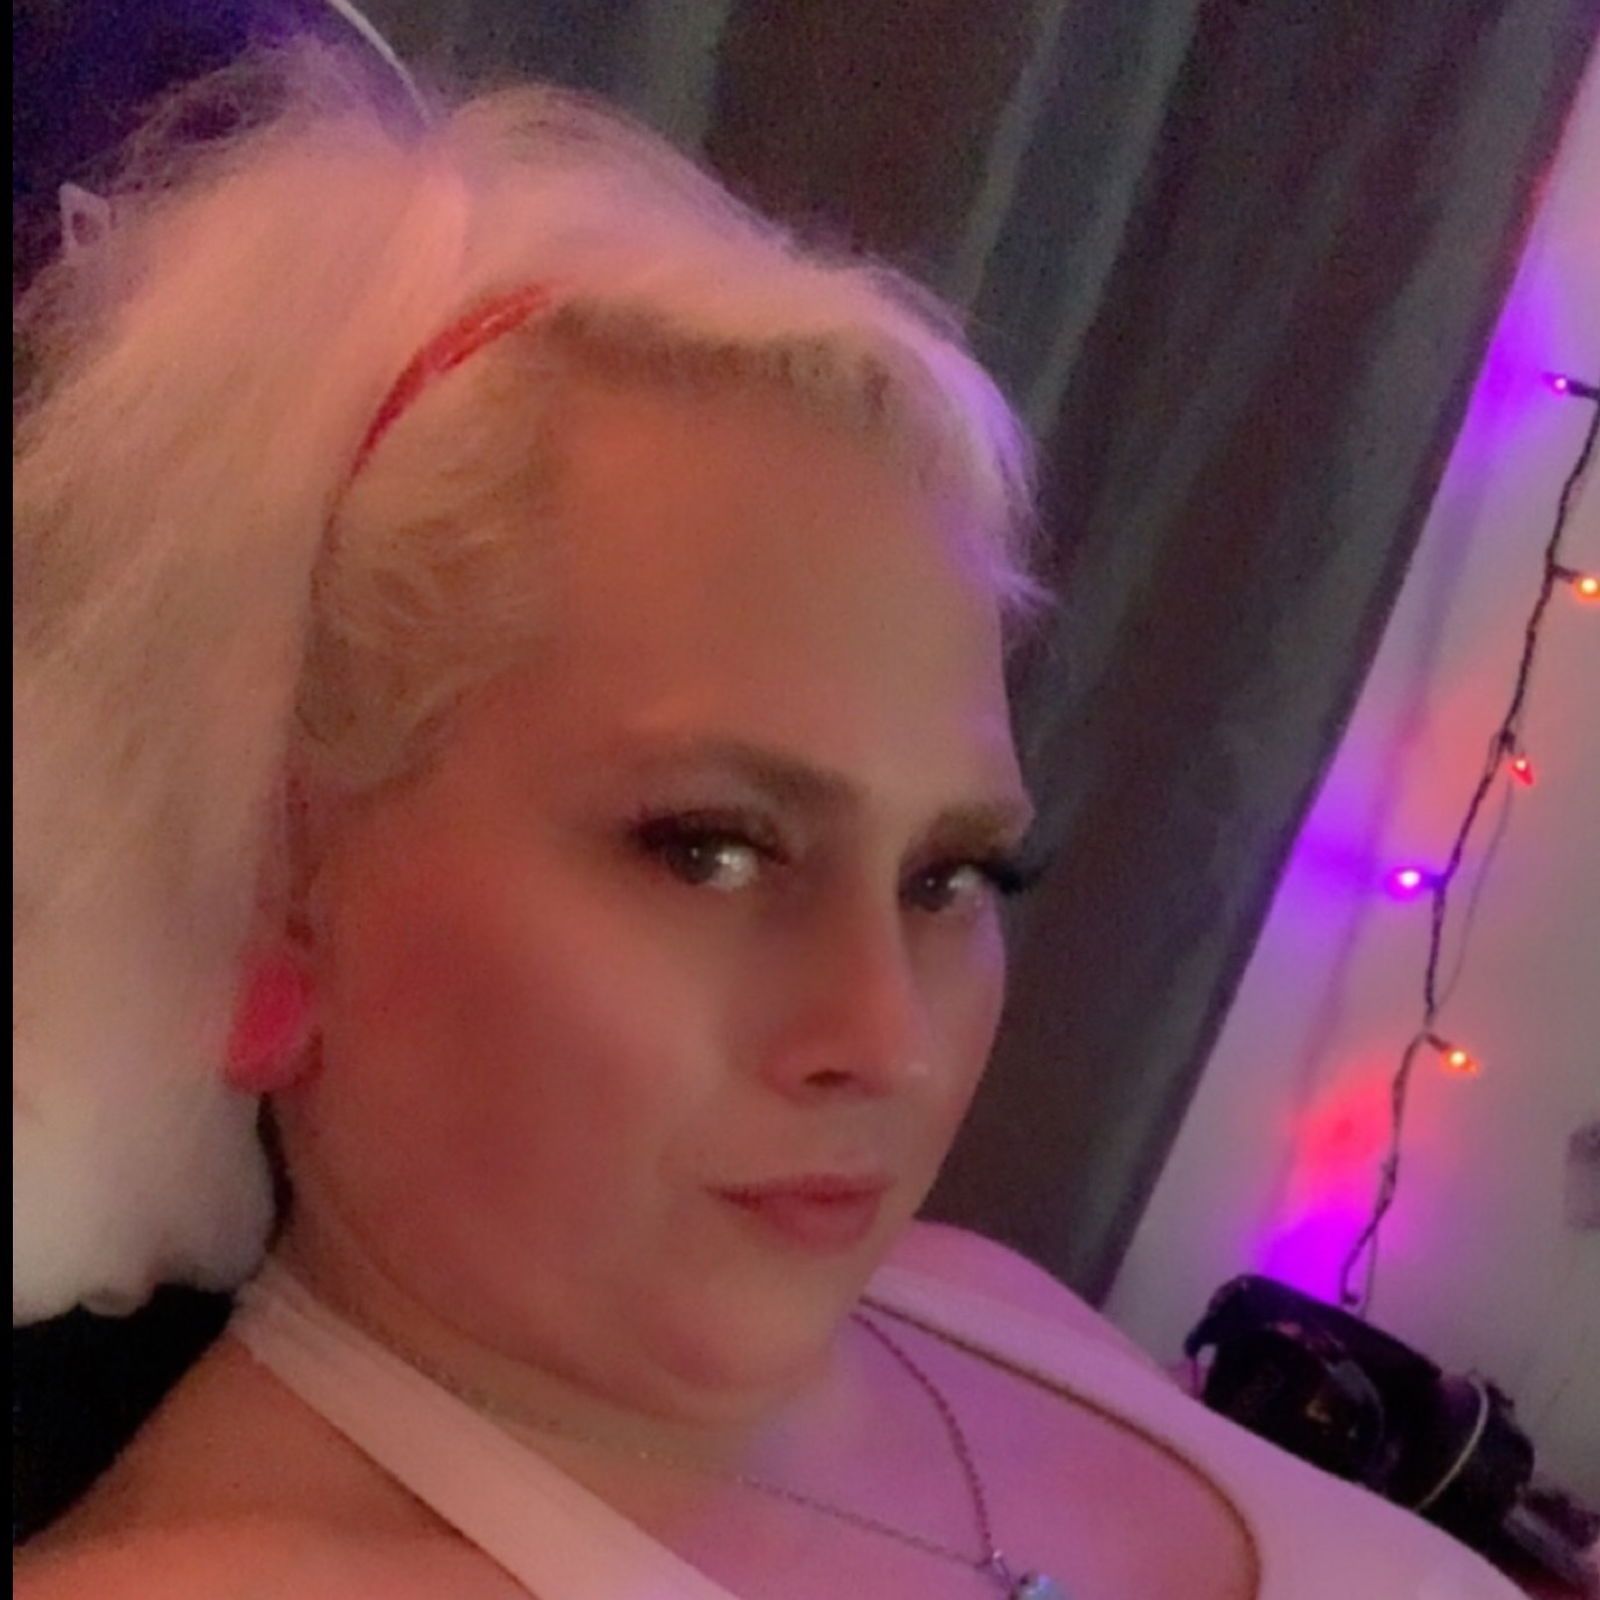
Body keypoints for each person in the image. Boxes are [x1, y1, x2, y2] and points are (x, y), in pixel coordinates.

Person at [12, 38, 1521, 1600]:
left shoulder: (982, 1300)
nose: (890, 1040)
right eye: (712, 850)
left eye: (954, 873)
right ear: (283, 877)